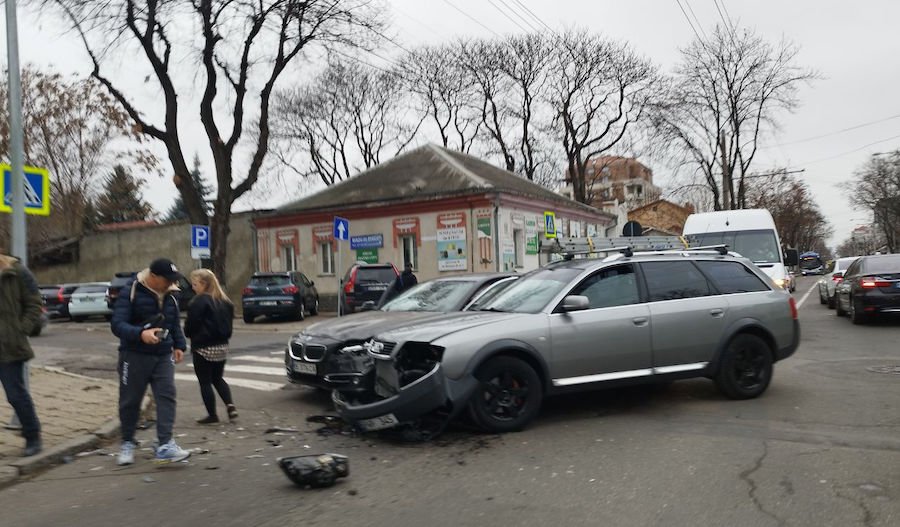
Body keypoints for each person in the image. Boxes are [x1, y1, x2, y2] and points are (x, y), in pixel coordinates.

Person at [110, 258, 191, 465]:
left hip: (163, 354)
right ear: (153, 277)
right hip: (134, 354)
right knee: (130, 400)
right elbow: (117, 325)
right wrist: (140, 334)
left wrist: (179, 345)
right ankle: (127, 442)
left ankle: (164, 444)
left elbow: (173, 322)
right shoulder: (132, 291)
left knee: (167, 396)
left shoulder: (172, 293)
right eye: (167, 279)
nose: (171, 283)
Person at [0, 253, 43, 457]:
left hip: (9, 345)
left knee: (16, 395)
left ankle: (32, 436)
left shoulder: (16, 271)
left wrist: (21, 329)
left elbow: (34, 303)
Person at [183, 269, 236, 424]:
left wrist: (188, 333)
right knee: (218, 378)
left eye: (195, 284)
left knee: (205, 381)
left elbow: (191, 326)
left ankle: (212, 415)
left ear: (203, 284)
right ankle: (230, 405)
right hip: (222, 347)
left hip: (203, 347)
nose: (193, 287)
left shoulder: (198, 302)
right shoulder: (226, 302)